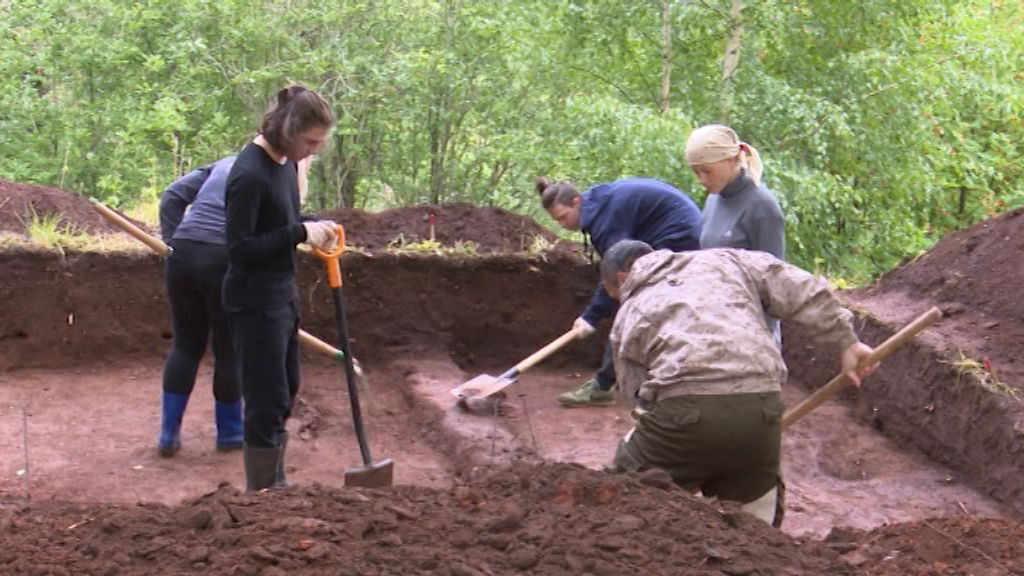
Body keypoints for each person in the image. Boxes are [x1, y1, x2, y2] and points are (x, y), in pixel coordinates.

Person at [600, 239, 876, 526]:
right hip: (761, 408)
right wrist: (847, 342)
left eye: (613, 294)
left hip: (683, 412)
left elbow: (636, 397)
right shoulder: (727, 261)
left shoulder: (631, 307)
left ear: (622, 279)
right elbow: (799, 287)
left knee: (621, 494)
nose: (618, 300)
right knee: (753, 522)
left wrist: (674, 453)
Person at [223, 84, 338, 491]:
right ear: (288, 131)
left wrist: (313, 225)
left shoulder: (285, 165)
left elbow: (281, 221)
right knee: (266, 398)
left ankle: (276, 478)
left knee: (286, 388)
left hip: (281, 294)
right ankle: (261, 490)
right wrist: (298, 231)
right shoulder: (249, 173)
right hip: (253, 300)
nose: (314, 150)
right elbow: (239, 248)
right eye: (310, 141)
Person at [536, 176, 702, 407]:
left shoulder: (606, 224)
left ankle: (604, 387)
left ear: (576, 201)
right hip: (668, 231)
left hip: (680, 236)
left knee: (637, 306)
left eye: (564, 217)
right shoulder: (597, 205)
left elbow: (617, 276)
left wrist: (591, 317)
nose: (563, 225)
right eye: (557, 221)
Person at [157, 156, 243, 456]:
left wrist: (172, 242)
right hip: (223, 259)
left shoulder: (222, 164)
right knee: (229, 350)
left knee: (185, 345)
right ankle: (231, 434)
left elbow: (172, 196)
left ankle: (168, 435)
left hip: (183, 255)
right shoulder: (273, 173)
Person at [686, 124, 786, 341]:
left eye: (707, 171)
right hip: (715, 322)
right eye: (696, 172)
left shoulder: (762, 207)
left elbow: (773, 283)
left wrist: (761, 339)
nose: (702, 179)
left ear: (731, 159)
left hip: (751, 332)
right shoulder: (714, 198)